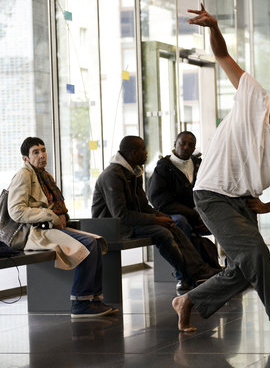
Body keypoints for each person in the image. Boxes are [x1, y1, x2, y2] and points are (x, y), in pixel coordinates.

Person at [172, 4, 270, 338]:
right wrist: (214, 28)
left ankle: (188, 301)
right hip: (213, 193)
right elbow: (222, 57)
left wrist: (268, 206)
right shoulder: (254, 98)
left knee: (245, 269)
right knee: (256, 253)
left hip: (245, 202)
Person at [92, 136, 218, 291]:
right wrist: (156, 221)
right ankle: (190, 274)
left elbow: (144, 207)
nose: (146, 153)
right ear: (132, 153)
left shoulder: (132, 173)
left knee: (174, 225)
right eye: (143, 149)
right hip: (112, 227)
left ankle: (199, 271)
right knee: (162, 232)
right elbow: (121, 215)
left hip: (127, 224)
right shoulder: (113, 175)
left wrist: (162, 217)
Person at [7, 137, 115, 318]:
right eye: (36, 152)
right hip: (34, 233)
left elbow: (55, 205)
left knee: (96, 242)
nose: (42, 155)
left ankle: (94, 299)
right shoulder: (24, 175)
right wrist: (50, 215)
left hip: (49, 229)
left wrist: (61, 216)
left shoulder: (44, 176)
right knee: (88, 244)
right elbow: (16, 211)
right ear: (25, 158)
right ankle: (80, 303)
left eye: (43, 150)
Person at [147, 131, 220, 290]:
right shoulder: (164, 168)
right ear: (175, 144)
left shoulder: (199, 165)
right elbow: (161, 202)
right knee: (180, 222)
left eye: (190, 145)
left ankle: (226, 269)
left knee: (224, 218)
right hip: (172, 213)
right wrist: (193, 214)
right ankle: (186, 274)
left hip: (197, 213)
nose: (186, 147)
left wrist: (203, 213)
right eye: (182, 143)